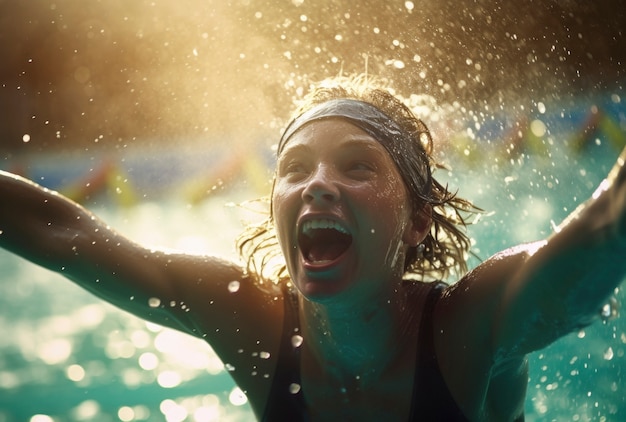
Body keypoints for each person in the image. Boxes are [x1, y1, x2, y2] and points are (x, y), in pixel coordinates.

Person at [1, 75, 625, 421]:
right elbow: (68, 235)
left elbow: (602, 235)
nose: (318, 184)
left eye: (357, 168)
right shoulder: (250, 319)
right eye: (295, 169)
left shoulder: (469, 328)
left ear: (415, 222)